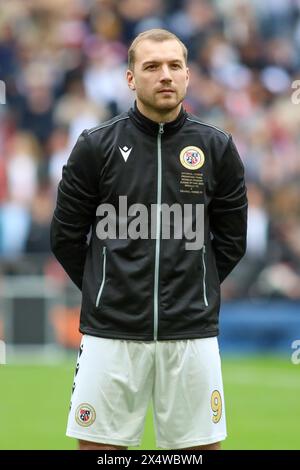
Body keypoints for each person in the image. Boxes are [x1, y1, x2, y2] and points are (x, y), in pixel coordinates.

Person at [50, 29, 247, 451]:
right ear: (129, 78)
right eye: (152, 66)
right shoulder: (94, 146)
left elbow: (232, 241)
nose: (165, 75)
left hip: (191, 334)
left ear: (188, 75)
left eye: (175, 66)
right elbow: (65, 237)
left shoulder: (217, 148)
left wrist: (195, 285)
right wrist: (107, 287)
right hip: (111, 335)